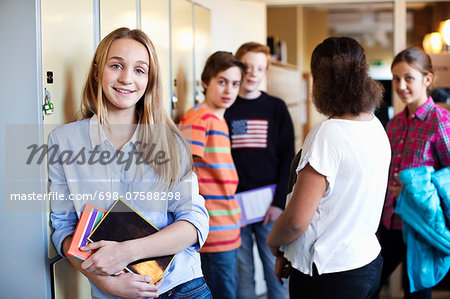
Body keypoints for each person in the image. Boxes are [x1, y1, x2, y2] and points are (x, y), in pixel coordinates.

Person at [50, 27, 211, 299]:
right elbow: (65, 229)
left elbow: (194, 222)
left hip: (181, 288)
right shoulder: (64, 141)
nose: (127, 78)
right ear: (98, 72)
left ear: (149, 79)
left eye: (139, 70)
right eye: (116, 66)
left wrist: (127, 252)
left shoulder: (171, 141)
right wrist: (103, 281)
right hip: (111, 291)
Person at [266, 36, 391, 299]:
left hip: (330, 275)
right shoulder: (376, 127)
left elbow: (297, 222)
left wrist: (274, 243)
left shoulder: (327, 134)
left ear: (319, 81)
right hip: (367, 263)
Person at [376, 47, 450, 298]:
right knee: (369, 285)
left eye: (409, 78)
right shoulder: (394, 124)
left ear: (427, 79)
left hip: (420, 225)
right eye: (396, 78)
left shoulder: (441, 121)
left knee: (416, 293)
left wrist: (414, 188)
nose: (401, 85)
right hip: (389, 223)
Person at [224, 42, 294, 299]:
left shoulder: (276, 108)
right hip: (233, 205)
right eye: (247, 66)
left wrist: (279, 204)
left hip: (269, 206)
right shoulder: (226, 106)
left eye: (260, 68)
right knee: (242, 274)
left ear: (266, 71)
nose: (253, 73)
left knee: (276, 272)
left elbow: (288, 158)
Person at [178, 51, 245, 299]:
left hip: (227, 224)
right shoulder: (198, 117)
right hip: (213, 229)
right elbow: (182, 170)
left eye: (235, 83)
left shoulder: (218, 119)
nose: (229, 90)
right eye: (222, 81)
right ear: (206, 81)